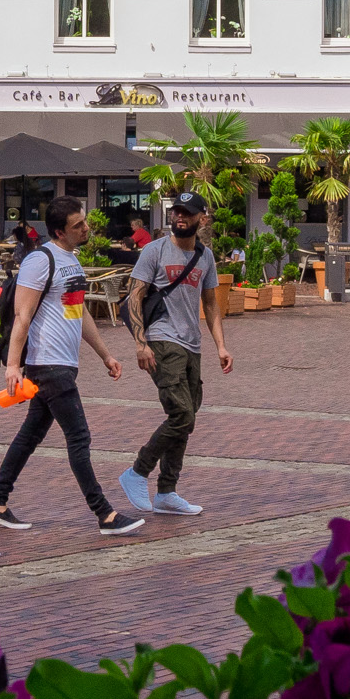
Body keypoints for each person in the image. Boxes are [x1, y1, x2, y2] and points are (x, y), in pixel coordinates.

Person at [0, 196, 141, 537]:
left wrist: (105, 354)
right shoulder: (39, 262)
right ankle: (105, 515)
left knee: (30, 435)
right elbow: (23, 316)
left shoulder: (72, 259)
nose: (86, 228)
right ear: (59, 231)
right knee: (79, 437)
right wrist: (13, 365)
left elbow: (78, 311)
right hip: (47, 363)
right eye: (78, 225)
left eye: (84, 222)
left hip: (65, 363)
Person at [119, 192, 231, 517]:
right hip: (161, 338)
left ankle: (167, 491)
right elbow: (135, 297)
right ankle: (137, 472)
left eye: (187, 213)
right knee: (182, 414)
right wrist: (141, 344)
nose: (180, 217)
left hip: (191, 344)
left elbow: (210, 304)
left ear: (202, 218)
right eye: (176, 212)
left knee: (186, 419)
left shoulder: (205, 256)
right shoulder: (154, 251)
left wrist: (221, 346)